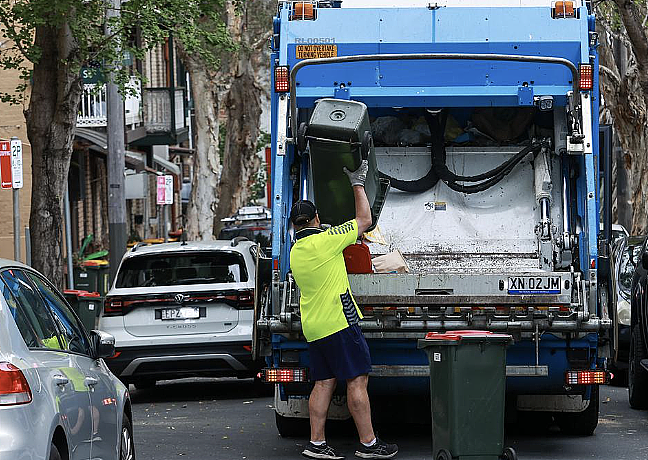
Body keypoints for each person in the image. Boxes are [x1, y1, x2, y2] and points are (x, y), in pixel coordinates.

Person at [289, 160, 398, 460]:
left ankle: (317, 443)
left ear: (294, 225)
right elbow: (365, 219)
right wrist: (357, 183)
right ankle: (369, 444)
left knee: (323, 382)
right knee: (357, 379)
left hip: (314, 326)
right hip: (339, 322)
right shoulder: (327, 241)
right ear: (316, 219)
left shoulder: (295, 252)